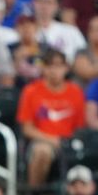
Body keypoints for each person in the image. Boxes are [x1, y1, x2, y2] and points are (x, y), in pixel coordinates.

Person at [17, 49, 86, 187]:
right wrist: (53, 140)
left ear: (66, 68)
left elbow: (80, 127)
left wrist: (68, 142)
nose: (54, 70)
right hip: (41, 140)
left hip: (69, 141)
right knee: (42, 151)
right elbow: (27, 129)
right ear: (43, 68)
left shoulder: (76, 92)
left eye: (59, 65)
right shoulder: (31, 91)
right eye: (50, 65)